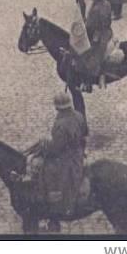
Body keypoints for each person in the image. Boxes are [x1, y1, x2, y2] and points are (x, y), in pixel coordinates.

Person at [27, 92, 86, 230]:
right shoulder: (79, 115)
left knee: (43, 170)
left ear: (57, 108)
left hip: (67, 159)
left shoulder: (60, 124)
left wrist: (44, 145)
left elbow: (56, 149)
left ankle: (52, 206)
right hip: (78, 153)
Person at [78, 0, 113, 91]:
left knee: (89, 56)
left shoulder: (95, 9)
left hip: (99, 36)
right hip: (108, 31)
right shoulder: (107, 4)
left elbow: (90, 26)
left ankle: (89, 82)